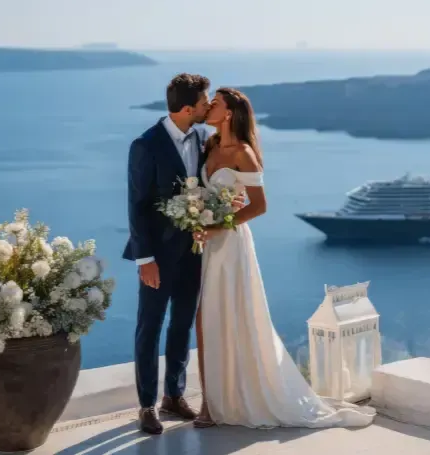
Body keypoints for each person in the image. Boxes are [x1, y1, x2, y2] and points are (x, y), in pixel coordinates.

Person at [192, 88, 376, 429]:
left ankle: (226, 401)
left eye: (215, 102)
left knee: (231, 315)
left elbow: (259, 206)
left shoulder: (244, 153)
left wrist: (219, 225)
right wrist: (195, 214)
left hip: (230, 245)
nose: (210, 106)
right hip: (206, 243)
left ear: (229, 112)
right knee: (205, 321)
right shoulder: (210, 145)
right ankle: (209, 402)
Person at [122, 73, 212, 435]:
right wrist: (145, 260)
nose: (208, 107)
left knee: (182, 324)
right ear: (188, 108)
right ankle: (146, 405)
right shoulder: (145, 145)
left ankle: (174, 395)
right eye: (204, 103)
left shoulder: (204, 137)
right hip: (157, 256)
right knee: (150, 327)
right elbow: (137, 205)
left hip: (194, 251)